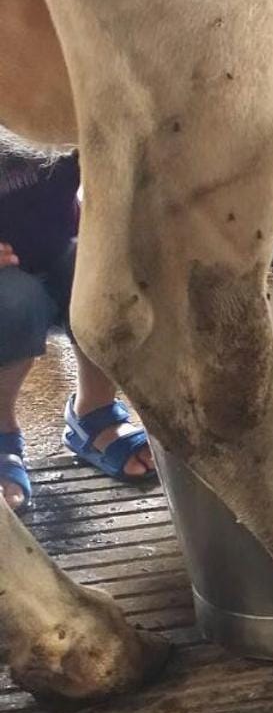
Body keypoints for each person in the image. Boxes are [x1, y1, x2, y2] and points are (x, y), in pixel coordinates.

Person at [0, 147, 155, 513]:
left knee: (111, 275)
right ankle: (1, 430)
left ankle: (93, 412)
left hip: (55, 242)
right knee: (15, 303)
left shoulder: (57, 92)